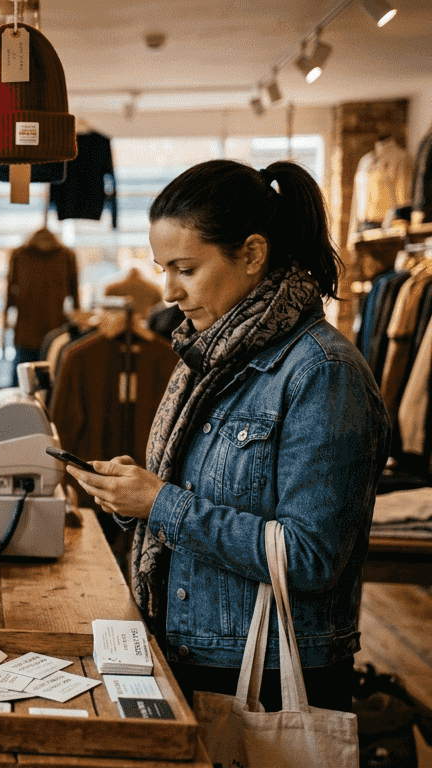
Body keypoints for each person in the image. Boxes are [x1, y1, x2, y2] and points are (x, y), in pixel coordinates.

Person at [66, 159, 390, 713]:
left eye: (185, 269)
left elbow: (311, 557)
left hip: (268, 680)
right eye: (163, 269)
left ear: (253, 254)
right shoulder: (209, 356)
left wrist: (160, 503)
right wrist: (134, 495)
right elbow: (205, 498)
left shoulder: (322, 372)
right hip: (193, 651)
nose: (168, 291)